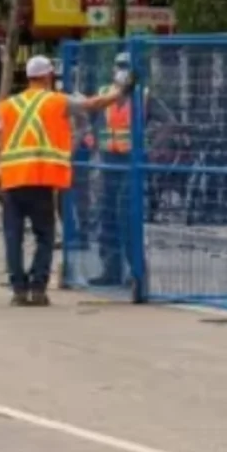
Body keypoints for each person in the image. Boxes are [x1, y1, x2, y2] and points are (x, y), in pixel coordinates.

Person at [0, 55, 129, 306]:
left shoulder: (6, 105)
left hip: (12, 181)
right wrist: (121, 90)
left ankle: (19, 290)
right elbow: (94, 104)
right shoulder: (57, 101)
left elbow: (0, 142)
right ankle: (38, 288)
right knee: (44, 236)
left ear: (29, 77)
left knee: (12, 237)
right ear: (48, 76)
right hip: (40, 180)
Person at [91, 53, 139, 288]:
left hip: (131, 164)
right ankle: (111, 269)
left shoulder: (142, 96)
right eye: (119, 66)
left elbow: (168, 121)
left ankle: (137, 272)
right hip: (108, 162)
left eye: (126, 67)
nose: (121, 71)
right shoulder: (103, 93)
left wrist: (151, 146)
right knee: (106, 215)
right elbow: (92, 119)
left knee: (128, 217)